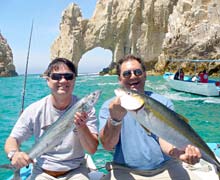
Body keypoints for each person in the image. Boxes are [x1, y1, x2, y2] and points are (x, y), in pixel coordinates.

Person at [99, 54, 202, 180]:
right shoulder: (109, 107)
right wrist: (115, 119)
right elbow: (108, 145)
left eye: (137, 72)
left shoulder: (163, 102)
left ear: (145, 75)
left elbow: (164, 137)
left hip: (166, 166)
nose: (133, 76)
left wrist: (178, 154)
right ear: (119, 79)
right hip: (124, 170)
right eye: (126, 74)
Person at [4, 58, 99, 180]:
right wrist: (14, 154)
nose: (63, 80)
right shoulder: (34, 109)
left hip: (76, 171)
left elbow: (92, 149)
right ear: (48, 80)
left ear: (74, 80)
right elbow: (12, 139)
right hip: (42, 172)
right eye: (56, 76)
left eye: (68, 76)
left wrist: (82, 127)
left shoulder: (88, 110)